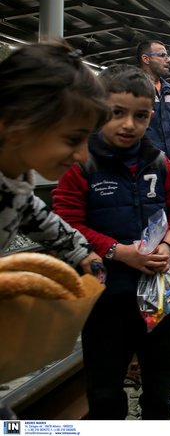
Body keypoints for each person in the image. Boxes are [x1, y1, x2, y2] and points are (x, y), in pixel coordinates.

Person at [52, 65, 170, 420]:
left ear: (150, 117)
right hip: (104, 294)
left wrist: (168, 245)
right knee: (105, 377)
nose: (129, 124)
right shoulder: (81, 164)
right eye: (117, 113)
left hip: (156, 293)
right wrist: (118, 252)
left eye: (140, 116)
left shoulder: (158, 162)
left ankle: (158, 415)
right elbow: (66, 222)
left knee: (163, 367)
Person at [0, 42, 106, 274]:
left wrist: (81, 252)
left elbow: (36, 215)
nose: (83, 156)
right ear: (15, 124)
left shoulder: (14, 183)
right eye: (72, 139)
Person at [136, 40, 170, 163]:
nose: (169, 60)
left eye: (168, 56)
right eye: (162, 55)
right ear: (146, 59)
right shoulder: (133, 89)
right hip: (144, 165)